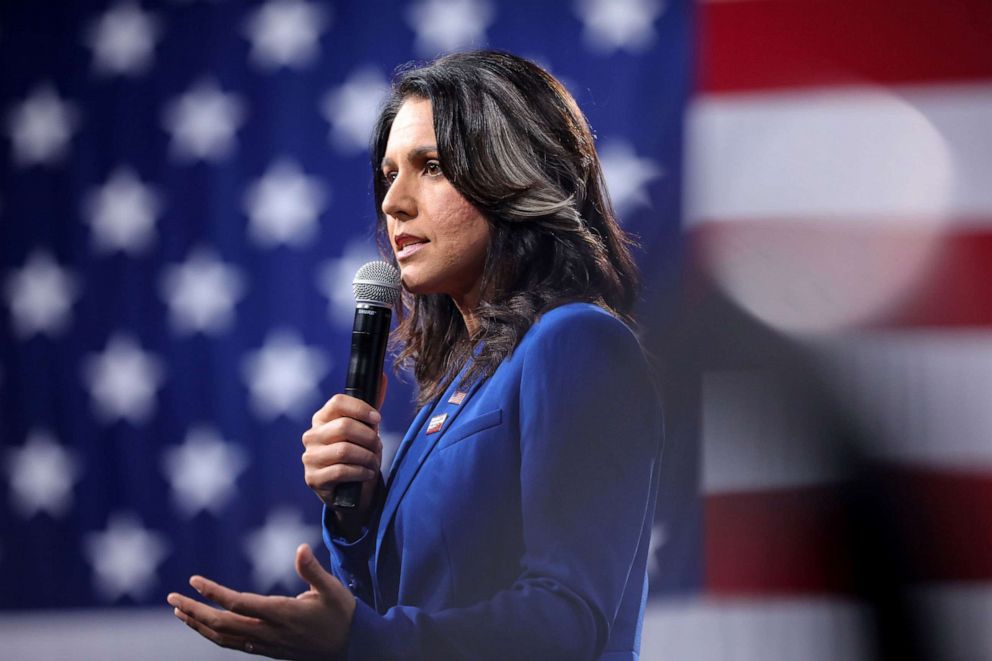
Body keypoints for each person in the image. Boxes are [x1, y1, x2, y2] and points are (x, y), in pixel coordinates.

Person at [167, 50, 662, 660]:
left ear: (514, 174)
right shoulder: (466, 376)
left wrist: (357, 637)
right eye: (389, 174)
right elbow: (410, 605)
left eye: (430, 166)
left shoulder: (578, 341)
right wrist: (358, 509)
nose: (392, 202)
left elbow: (565, 625)